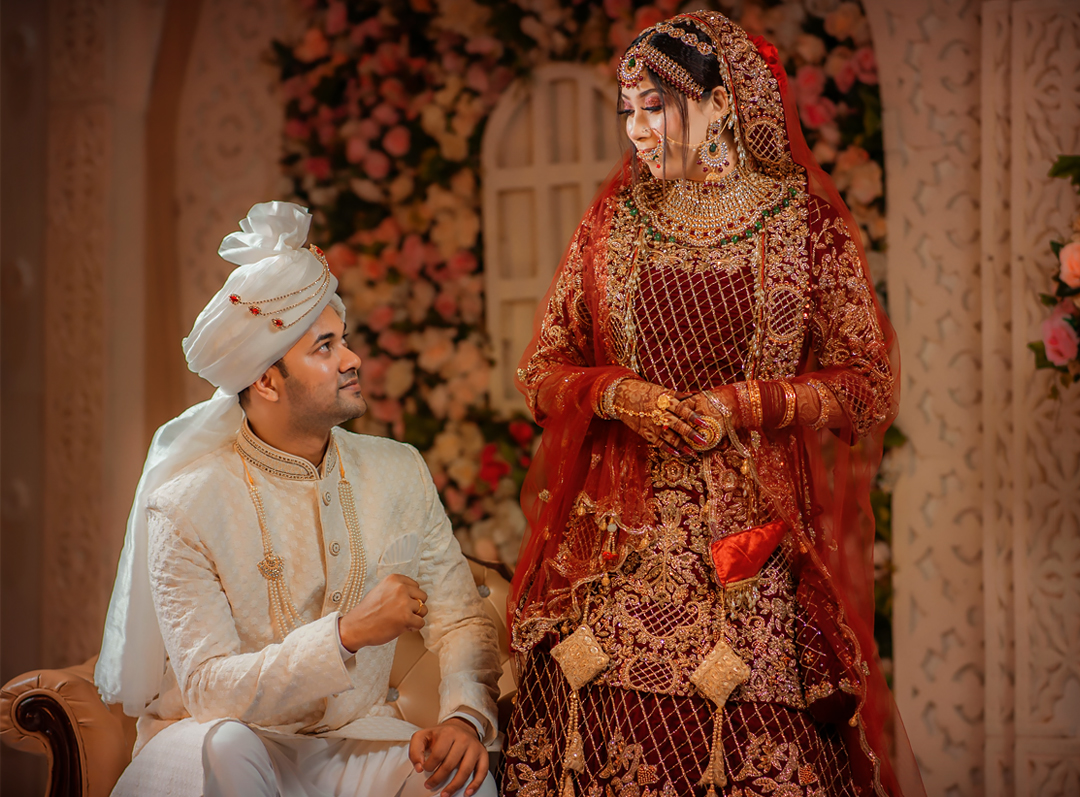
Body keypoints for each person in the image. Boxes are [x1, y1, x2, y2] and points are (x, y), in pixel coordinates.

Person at [503, 11, 925, 797]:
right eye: (627, 110)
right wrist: (618, 393)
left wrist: (747, 402)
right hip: (614, 557)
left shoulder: (801, 222)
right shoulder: (614, 222)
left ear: (724, 103)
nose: (636, 130)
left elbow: (868, 385)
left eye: (655, 107)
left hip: (747, 553)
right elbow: (543, 370)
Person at [95, 202, 501, 797]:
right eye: (325, 347)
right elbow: (208, 690)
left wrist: (465, 716)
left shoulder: (396, 470)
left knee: (460, 784)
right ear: (265, 381)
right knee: (227, 745)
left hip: (351, 738)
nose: (353, 359)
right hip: (226, 746)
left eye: (345, 340)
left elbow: (461, 618)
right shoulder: (185, 504)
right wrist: (345, 635)